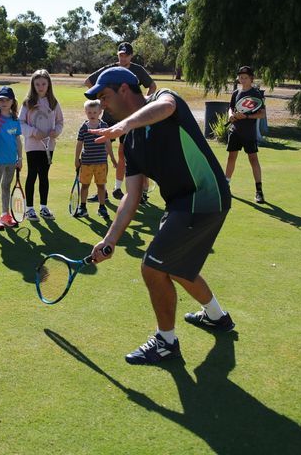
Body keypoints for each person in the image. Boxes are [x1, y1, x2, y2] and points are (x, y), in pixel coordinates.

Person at [85, 67, 235, 365]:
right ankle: (218, 317)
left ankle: (166, 342)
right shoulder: (130, 141)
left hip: (204, 197)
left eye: (104, 97)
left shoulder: (166, 99)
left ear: (125, 90)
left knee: (153, 268)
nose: (102, 106)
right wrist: (109, 240)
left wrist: (123, 125)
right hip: (180, 204)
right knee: (177, 268)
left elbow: (164, 108)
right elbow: (132, 194)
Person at [84, 41, 157, 201]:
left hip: (129, 119)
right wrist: (102, 99)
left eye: (126, 55)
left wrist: (145, 99)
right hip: (109, 119)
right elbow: (88, 81)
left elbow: (152, 86)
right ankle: (101, 191)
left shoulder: (137, 70)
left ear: (131, 56)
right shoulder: (110, 69)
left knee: (127, 153)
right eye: (120, 55)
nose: (123, 58)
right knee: (101, 154)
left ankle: (136, 191)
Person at [19, 70, 64, 221]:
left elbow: (59, 122)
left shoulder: (53, 102)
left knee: (44, 176)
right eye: (37, 84)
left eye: (43, 84)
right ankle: (29, 209)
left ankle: (43, 207)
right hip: (32, 145)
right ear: (33, 85)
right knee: (32, 174)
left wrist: (55, 132)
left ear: (48, 84)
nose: (40, 87)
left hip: (49, 146)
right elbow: (20, 123)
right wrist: (32, 132)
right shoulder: (27, 102)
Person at [225, 65, 266, 204]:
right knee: (231, 158)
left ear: (251, 79)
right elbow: (231, 108)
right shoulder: (236, 93)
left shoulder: (256, 94)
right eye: (240, 77)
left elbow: (262, 114)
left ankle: (259, 191)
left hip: (249, 133)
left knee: (253, 159)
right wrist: (231, 116)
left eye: (245, 77)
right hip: (235, 131)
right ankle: (226, 186)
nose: (242, 80)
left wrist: (247, 117)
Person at [0, 86, 23, 230]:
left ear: (12, 101)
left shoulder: (15, 119)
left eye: (7, 99)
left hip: (11, 161)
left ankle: (5, 215)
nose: (4, 102)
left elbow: (18, 140)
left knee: (6, 187)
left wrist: (20, 158)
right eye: (1, 99)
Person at [72, 99, 117, 221]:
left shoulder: (104, 126)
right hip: (86, 162)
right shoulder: (83, 127)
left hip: (101, 162)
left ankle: (102, 207)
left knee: (101, 186)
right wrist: (77, 159)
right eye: (89, 112)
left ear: (100, 112)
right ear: (86, 112)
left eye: (94, 112)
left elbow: (108, 144)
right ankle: (83, 207)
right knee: (85, 186)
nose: (92, 115)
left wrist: (113, 159)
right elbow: (79, 144)